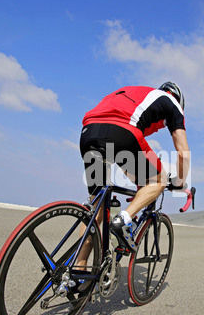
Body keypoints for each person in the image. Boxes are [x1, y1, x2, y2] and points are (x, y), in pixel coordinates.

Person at [77, 81, 190, 266]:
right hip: (121, 131)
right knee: (159, 181)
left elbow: (130, 164)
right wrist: (178, 182)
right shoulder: (172, 103)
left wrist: (140, 185)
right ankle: (123, 220)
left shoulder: (137, 95)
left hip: (88, 131)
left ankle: (78, 274)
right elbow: (183, 154)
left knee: (96, 206)